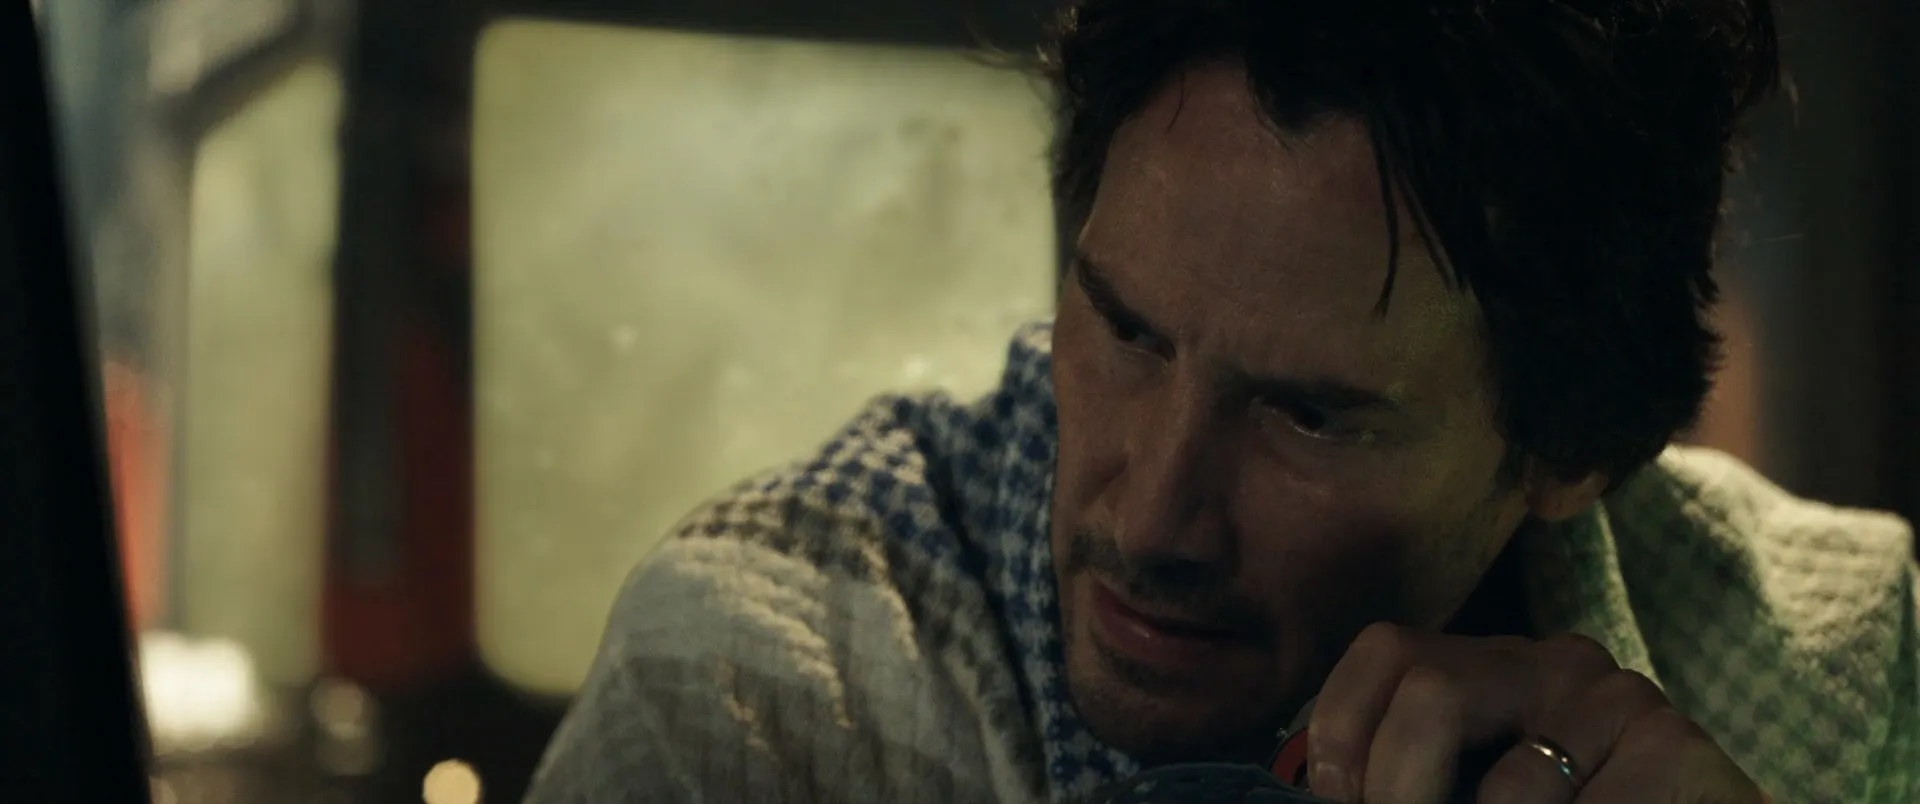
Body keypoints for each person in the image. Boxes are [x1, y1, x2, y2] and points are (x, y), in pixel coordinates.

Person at [522, 2, 1919, 802]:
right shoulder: (767, 707)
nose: (1152, 516)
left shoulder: (1840, 674)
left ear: (1574, 447)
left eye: (1309, 416)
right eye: (1125, 328)